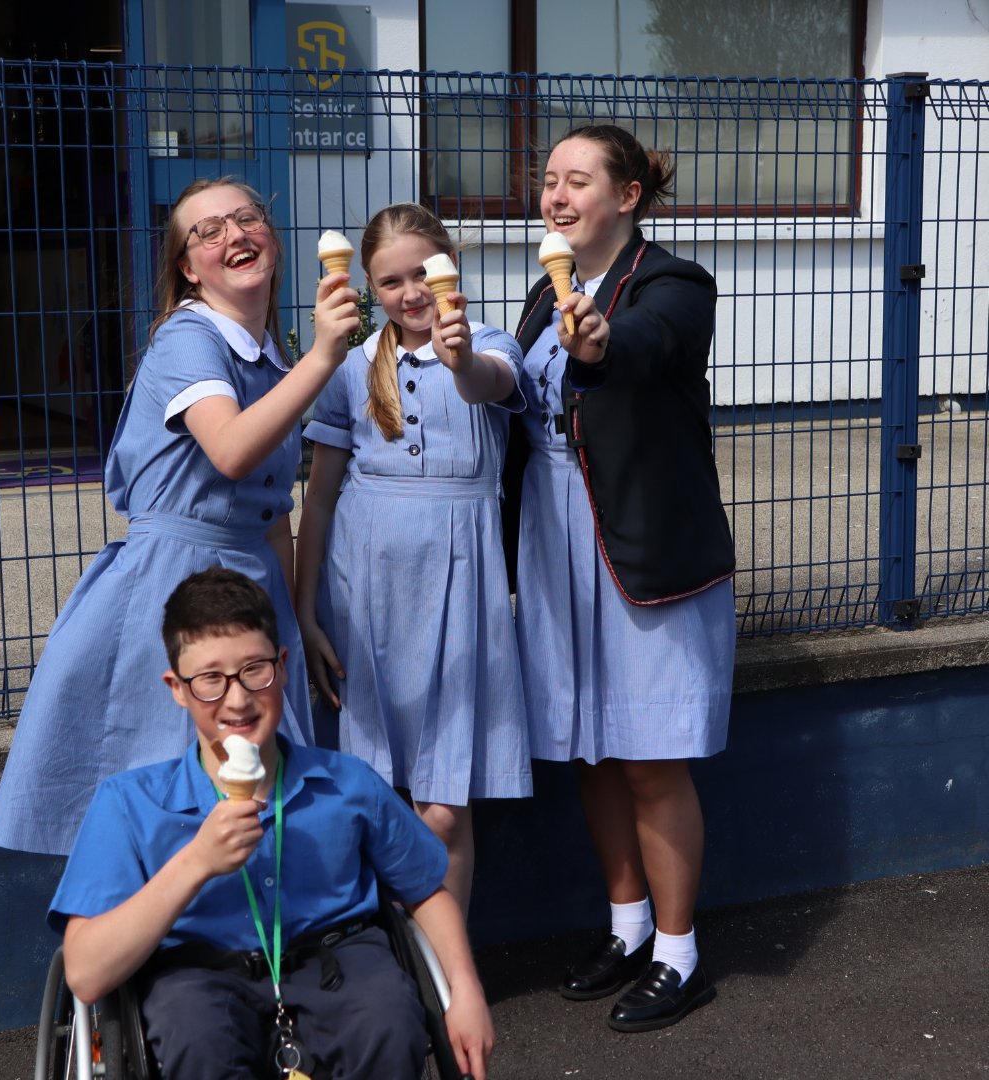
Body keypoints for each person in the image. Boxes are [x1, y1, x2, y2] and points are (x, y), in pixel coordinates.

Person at [0, 177, 360, 856]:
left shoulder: (272, 361)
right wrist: (324, 357)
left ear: (271, 240)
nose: (234, 235)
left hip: (248, 592)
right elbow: (232, 450)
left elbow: (272, 515)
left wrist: (294, 621)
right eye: (208, 231)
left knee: (241, 800)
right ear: (188, 268)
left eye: (247, 219)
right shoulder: (186, 338)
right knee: (164, 799)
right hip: (173, 591)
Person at [49, 567, 494, 1080]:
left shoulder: (349, 784)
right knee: (197, 1041)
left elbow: (425, 890)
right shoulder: (130, 805)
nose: (237, 699)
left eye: (254, 670)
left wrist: (465, 990)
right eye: (210, 680)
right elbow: (84, 974)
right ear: (176, 688)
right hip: (200, 976)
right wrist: (195, 863)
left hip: (338, 963)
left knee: (390, 1022)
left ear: (282, 667)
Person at [509, 125, 736, 1032]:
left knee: (648, 757)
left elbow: (638, 346)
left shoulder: (676, 284)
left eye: (578, 182)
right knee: (589, 749)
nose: (556, 197)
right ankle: (628, 926)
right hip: (553, 541)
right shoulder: (538, 294)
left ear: (628, 196)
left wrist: (599, 343)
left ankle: (681, 956)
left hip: (638, 546)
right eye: (549, 182)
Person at [295, 203, 531, 918]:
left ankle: (444, 964)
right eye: (389, 281)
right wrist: (305, 610)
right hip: (364, 588)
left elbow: (489, 383)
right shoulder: (352, 365)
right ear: (369, 287)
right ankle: (382, 962)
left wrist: (460, 359)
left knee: (444, 808)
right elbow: (323, 497)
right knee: (369, 794)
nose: (410, 293)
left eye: (422, 272)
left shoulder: (488, 343)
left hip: (460, 584)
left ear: (449, 264)